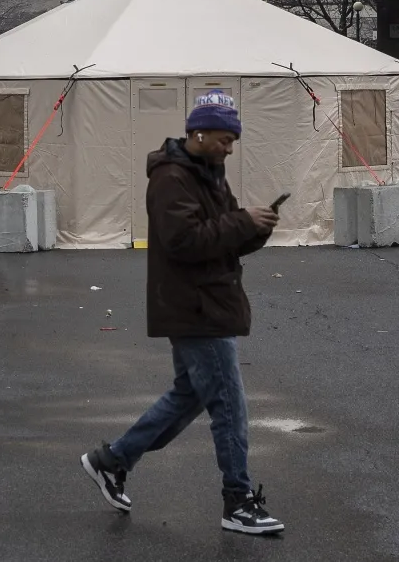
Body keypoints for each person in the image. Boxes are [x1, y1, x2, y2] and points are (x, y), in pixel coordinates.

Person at [80, 89, 285, 536]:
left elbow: (224, 232)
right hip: (195, 307)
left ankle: (112, 460)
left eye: (233, 140)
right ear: (198, 131)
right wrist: (242, 223)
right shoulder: (172, 177)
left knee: (188, 396)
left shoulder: (210, 172)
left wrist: (258, 227)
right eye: (224, 139)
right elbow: (183, 241)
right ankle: (238, 502)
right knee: (228, 406)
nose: (229, 148)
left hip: (207, 302)